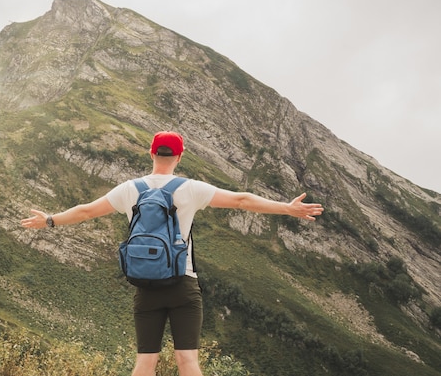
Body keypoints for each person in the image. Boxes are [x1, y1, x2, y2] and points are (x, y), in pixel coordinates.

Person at [21, 131, 324, 376]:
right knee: (187, 361)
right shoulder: (189, 189)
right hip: (183, 283)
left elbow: (86, 212)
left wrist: (50, 220)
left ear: (151, 154)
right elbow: (242, 200)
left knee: (145, 363)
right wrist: (287, 208)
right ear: (179, 157)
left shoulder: (130, 189)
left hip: (145, 285)